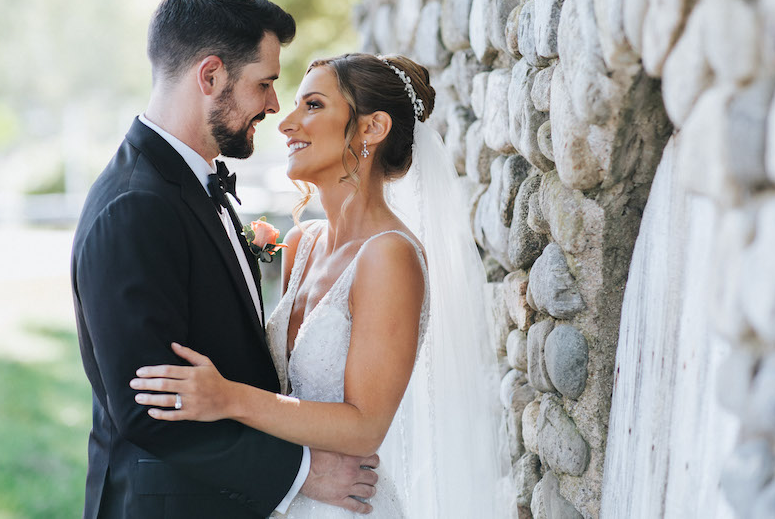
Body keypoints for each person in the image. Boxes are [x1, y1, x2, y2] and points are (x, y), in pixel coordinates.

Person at [130, 53, 514, 517]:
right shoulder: (301, 244)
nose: (286, 123)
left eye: (312, 105)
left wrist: (228, 398)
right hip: (284, 497)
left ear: (373, 128)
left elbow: (366, 426)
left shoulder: (390, 255)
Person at [70, 0, 380, 519]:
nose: (274, 104)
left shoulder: (187, 183)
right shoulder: (135, 206)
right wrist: (303, 473)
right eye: (264, 83)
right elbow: (153, 409)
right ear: (210, 76)